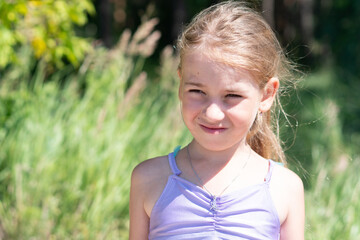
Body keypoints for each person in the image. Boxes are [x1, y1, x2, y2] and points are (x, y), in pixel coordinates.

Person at [129, 1, 305, 239]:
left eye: (231, 96)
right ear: (180, 85)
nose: (212, 113)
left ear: (266, 95)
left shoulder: (285, 188)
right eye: (197, 92)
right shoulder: (149, 178)